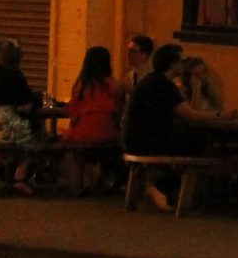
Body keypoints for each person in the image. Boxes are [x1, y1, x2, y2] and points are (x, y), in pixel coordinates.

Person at [123, 44, 225, 212]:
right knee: (199, 144)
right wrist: (222, 116)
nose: (183, 65)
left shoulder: (152, 80)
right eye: (181, 61)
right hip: (147, 142)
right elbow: (189, 114)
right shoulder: (164, 84)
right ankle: (166, 188)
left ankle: (164, 188)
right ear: (172, 64)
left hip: (135, 139)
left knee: (191, 142)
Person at [0, 40, 41, 194]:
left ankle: (11, 174)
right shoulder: (16, 77)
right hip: (3, 132)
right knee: (38, 137)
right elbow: (28, 101)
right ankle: (20, 177)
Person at [62, 46, 124, 195]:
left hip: (84, 131)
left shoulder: (81, 86)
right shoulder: (116, 85)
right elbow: (119, 112)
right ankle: (100, 179)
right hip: (108, 132)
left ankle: (77, 186)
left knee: (70, 149)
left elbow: (74, 115)